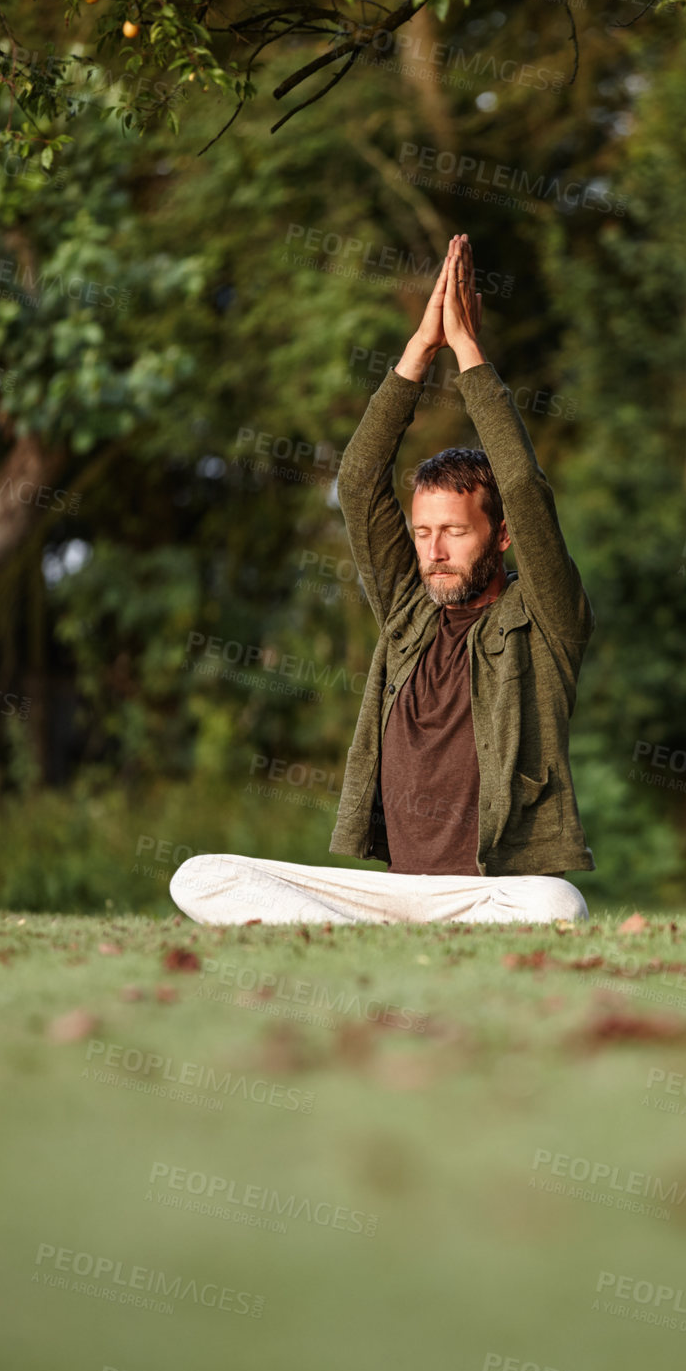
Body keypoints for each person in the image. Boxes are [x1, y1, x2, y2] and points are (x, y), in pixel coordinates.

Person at [170, 234, 595, 925]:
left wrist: (467, 357)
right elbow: (360, 481)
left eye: (454, 532)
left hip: (486, 889)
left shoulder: (547, 616)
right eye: (424, 533)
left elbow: (521, 482)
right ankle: (357, 930)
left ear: (503, 534)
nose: (433, 551)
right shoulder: (407, 610)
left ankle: (352, 935)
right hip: (393, 890)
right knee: (200, 874)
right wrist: (418, 351)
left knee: (558, 903)